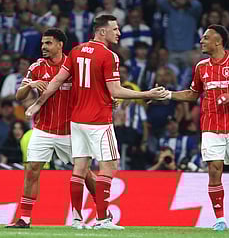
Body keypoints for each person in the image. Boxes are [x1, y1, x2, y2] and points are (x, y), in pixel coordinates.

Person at [25, 15, 167, 230]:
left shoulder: (76, 51)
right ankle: (102, 219)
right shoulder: (109, 56)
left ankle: (76, 219)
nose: (119, 33)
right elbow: (115, 90)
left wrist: (38, 103)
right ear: (102, 31)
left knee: (80, 169)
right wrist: (149, 93)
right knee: (109, 166)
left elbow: (56, 81)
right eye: (115, 29)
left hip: (77, 121)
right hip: (99, 120)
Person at [162, 24, 229, 231]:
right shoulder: (201, 67)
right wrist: (168, 94)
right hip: (210, 128)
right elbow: (192, 94)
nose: (202, 41)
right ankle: (220, 219)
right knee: (214, 171)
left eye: (206, 38)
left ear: (218, 41)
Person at [6, 28, 98, 229]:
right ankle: (25, 219)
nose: (43, 47)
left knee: (87, 173)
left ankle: (103, 212)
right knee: (31, 170)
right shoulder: (37, 67)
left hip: (70, 131)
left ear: (60, 44)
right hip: (43, 129)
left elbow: (92, 89)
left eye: (48, 43)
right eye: (42, 43)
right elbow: (18, 96)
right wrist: (31, 85)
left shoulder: (74, 66)